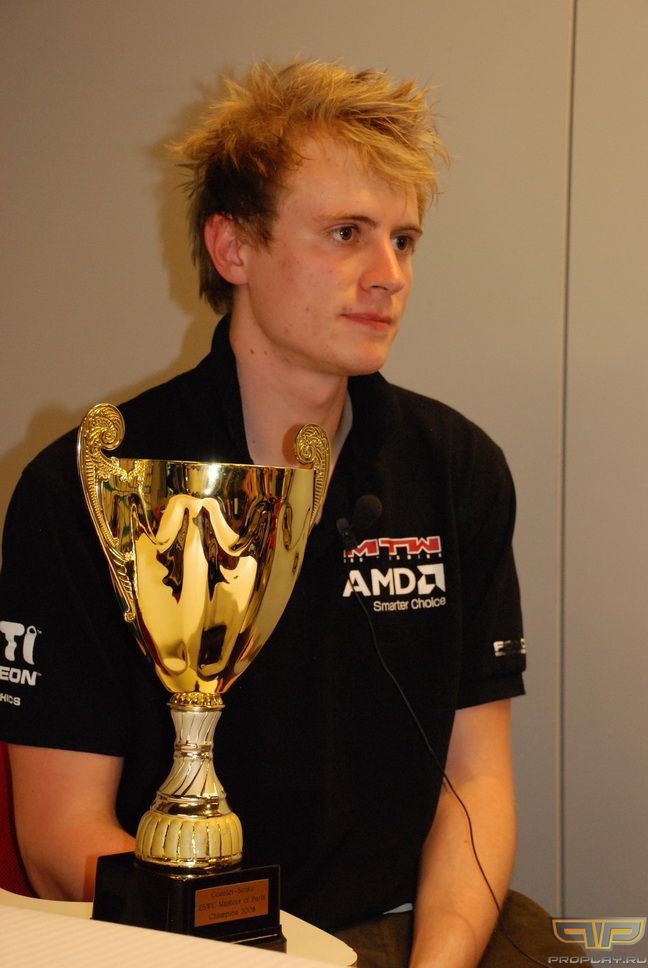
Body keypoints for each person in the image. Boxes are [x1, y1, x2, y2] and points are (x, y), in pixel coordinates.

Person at [0, 61, 528, 967]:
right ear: (233, 248)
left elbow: (474, 781)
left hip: (406, 929)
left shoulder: (456, 467)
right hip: (172, 944)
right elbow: (59, 839)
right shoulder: (91, 485)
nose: (389, 276)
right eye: (346, 233)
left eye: (404, 240)